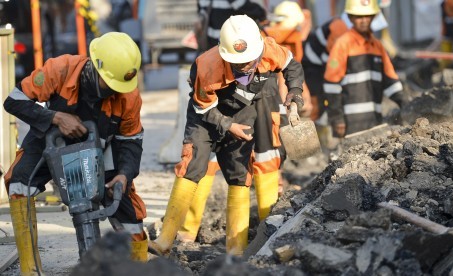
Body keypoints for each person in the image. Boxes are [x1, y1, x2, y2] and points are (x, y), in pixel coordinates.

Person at [149, 14, 304, 256]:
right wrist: (227, 125)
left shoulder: (268, 50)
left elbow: (291, 65)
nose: (244, 68)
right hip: (207, 115)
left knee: (239, 175)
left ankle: (236, 251)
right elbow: (203, 106)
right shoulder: (206, 65)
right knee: (193, 166)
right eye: (237, 64)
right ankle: (165, 240)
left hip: (242, 112)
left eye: (248, 62)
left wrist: (295, 92)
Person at [3, 32, 148, 274]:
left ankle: (140, 268)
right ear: (94, 67)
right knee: (19, 183)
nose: (113, 91)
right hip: (51, 138)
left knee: (129, 213)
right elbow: (14, 100)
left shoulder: (128, 96)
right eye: (108, 84)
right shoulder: (60, 69)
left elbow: (131, 141)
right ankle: (30, 269)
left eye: (117, 87)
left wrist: (124, 175)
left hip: (102, 147)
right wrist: (55, 117)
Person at [323, 0, 404, 138]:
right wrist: (337, 119)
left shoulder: (377, 46)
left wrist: (406, 104)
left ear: (374, 17)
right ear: (350, 18)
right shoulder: (343, 44)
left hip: (375, 120)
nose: (364, 20)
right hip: (351, 124)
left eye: (367, 16)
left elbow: (390, 81)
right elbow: (332, 84)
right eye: (359, 16)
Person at [196, 0, 267, 53]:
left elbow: (201, 11)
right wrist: (262, 13)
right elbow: (244, 6)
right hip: (230, 40)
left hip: (211, 39)